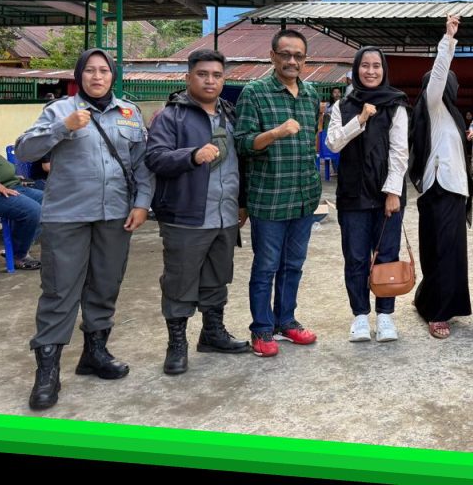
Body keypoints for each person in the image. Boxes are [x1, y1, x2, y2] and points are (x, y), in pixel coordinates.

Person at [16, 49, 153, 410]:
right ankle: (47, 372)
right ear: (80, 76)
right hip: (67, 216)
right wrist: (64, 127)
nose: (97, 77)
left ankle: (95, 353)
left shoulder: (129, 112)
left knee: (106, 284)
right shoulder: (59, 110)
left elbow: (142, 164)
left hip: (115, 215)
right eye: (89, 71)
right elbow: (25, 151)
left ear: (112, 76)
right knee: (59, 291)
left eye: (104, 70)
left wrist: (142, 203)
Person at [146, 49, 251, 375]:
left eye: (217, 75)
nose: (210, 81)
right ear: (188, 77)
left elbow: (240, 163)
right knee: (179, 280)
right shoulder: (171, 117)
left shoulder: (230, 115)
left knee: (218, 277)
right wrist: (191, 156)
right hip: (186, 215)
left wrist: (242, 202)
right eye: (202, 74)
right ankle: (177, 344)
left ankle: (212, 333)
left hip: (225, 215)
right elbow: (155, 158)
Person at [235, 29, 322, 357]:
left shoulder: (311, 94)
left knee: (294, 264)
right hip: (269, 198)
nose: (292, 61)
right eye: (285, 54)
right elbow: (242, 144)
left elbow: (310, 142)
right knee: (266, 266)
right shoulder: (254, 93)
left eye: (298, 56)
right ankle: (262, 328)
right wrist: (275, 132)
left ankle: (286, 321)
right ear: (272, 56)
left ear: (305, 60)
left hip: (303, 197)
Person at [326, 46, 410, 343]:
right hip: (352, 194)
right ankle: (360, 315)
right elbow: (333, 144)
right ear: (356, 69)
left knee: (387, 255)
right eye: (365, 65)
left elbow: (400, 151)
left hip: (386, 194)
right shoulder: (343, 105)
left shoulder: (396, 103)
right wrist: (359, 119)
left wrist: (393, 192)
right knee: (356, 256)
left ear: (384, 70)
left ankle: (385, 315)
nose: (371, 71)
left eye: (376, 66)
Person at [409, 14, 472, 338]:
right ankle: (437, 312)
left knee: (450, 253)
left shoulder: (454, 117)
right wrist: (448, 40)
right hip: (438, 189)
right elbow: (436, 78)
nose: (450, 86)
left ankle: (428, 300)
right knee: (440, 252)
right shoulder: (432, 106)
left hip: (455, 191)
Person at [0, 151, 43, 269]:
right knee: (32, 210)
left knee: (50, 202)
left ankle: (19, 246)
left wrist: (12, 177)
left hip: (12, 185)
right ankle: (18, 255)